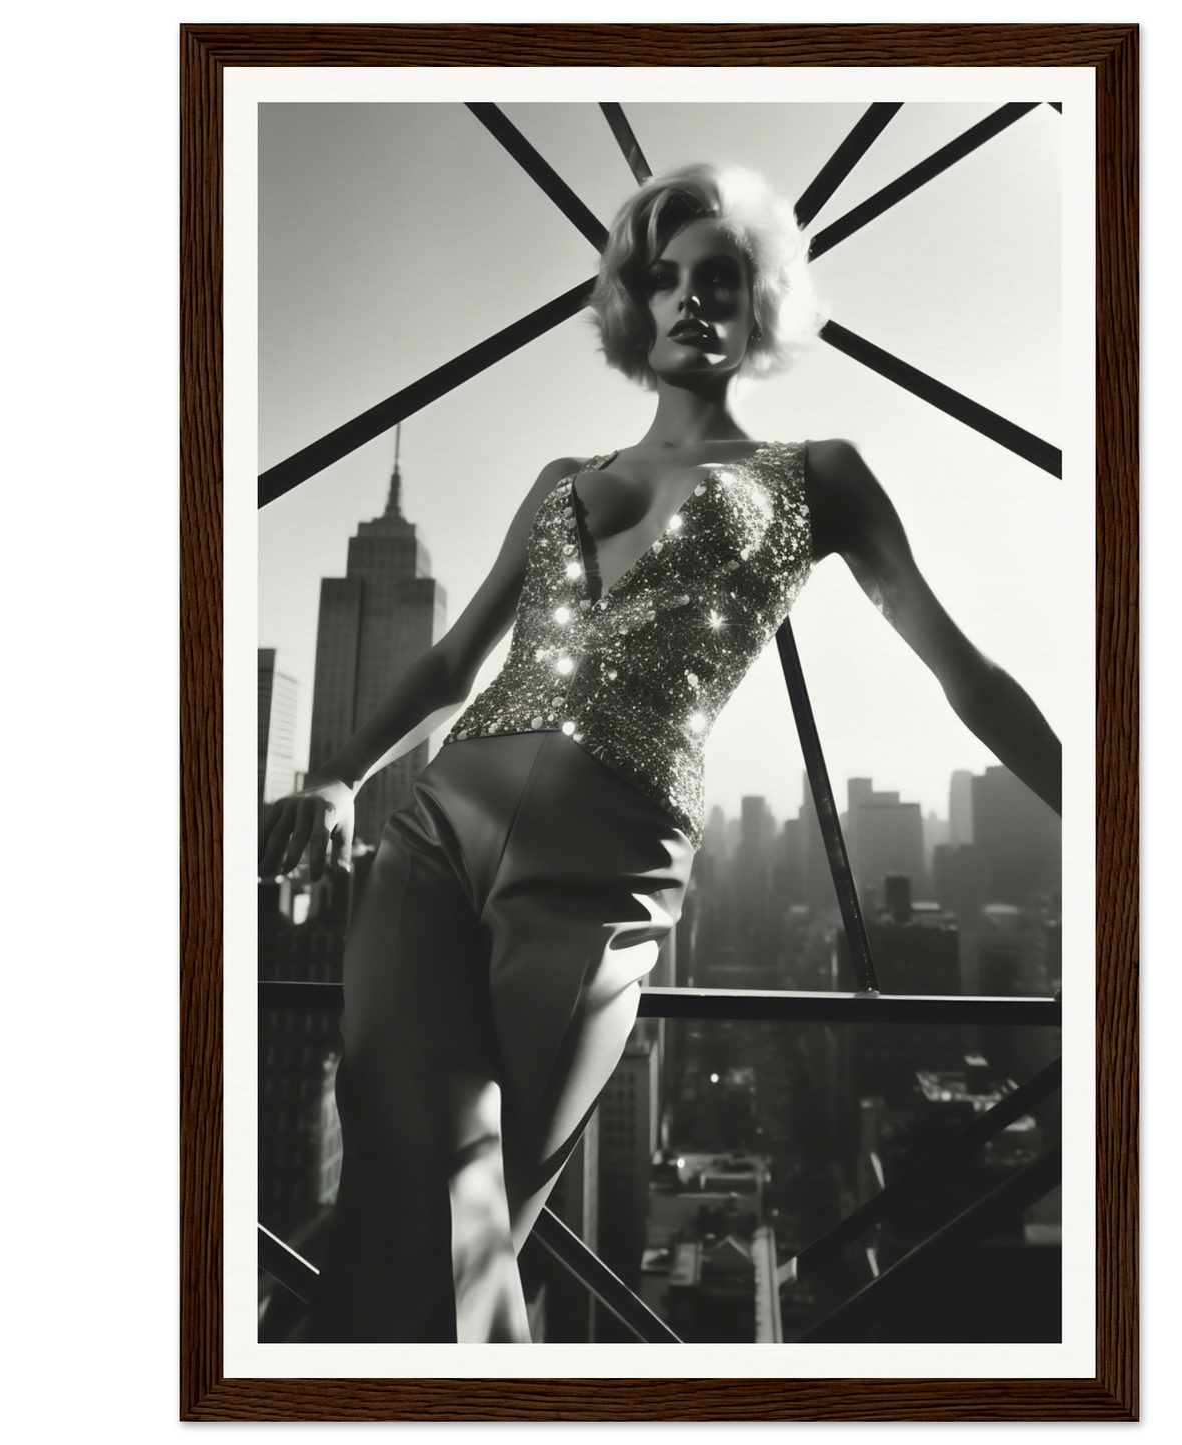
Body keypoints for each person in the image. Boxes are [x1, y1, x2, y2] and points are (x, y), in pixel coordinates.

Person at [259, 164, 1062, 1343]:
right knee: (398, 1181)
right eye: (661, 276)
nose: (690, 298)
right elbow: (450, 665)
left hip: (609, 850)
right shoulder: (558, 483)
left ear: (762, 299)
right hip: (433, 829)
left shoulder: (817, 474)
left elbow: (963, 671)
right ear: (630, 304)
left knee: (465, 1213)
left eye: (719, 276)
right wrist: (337, 776)